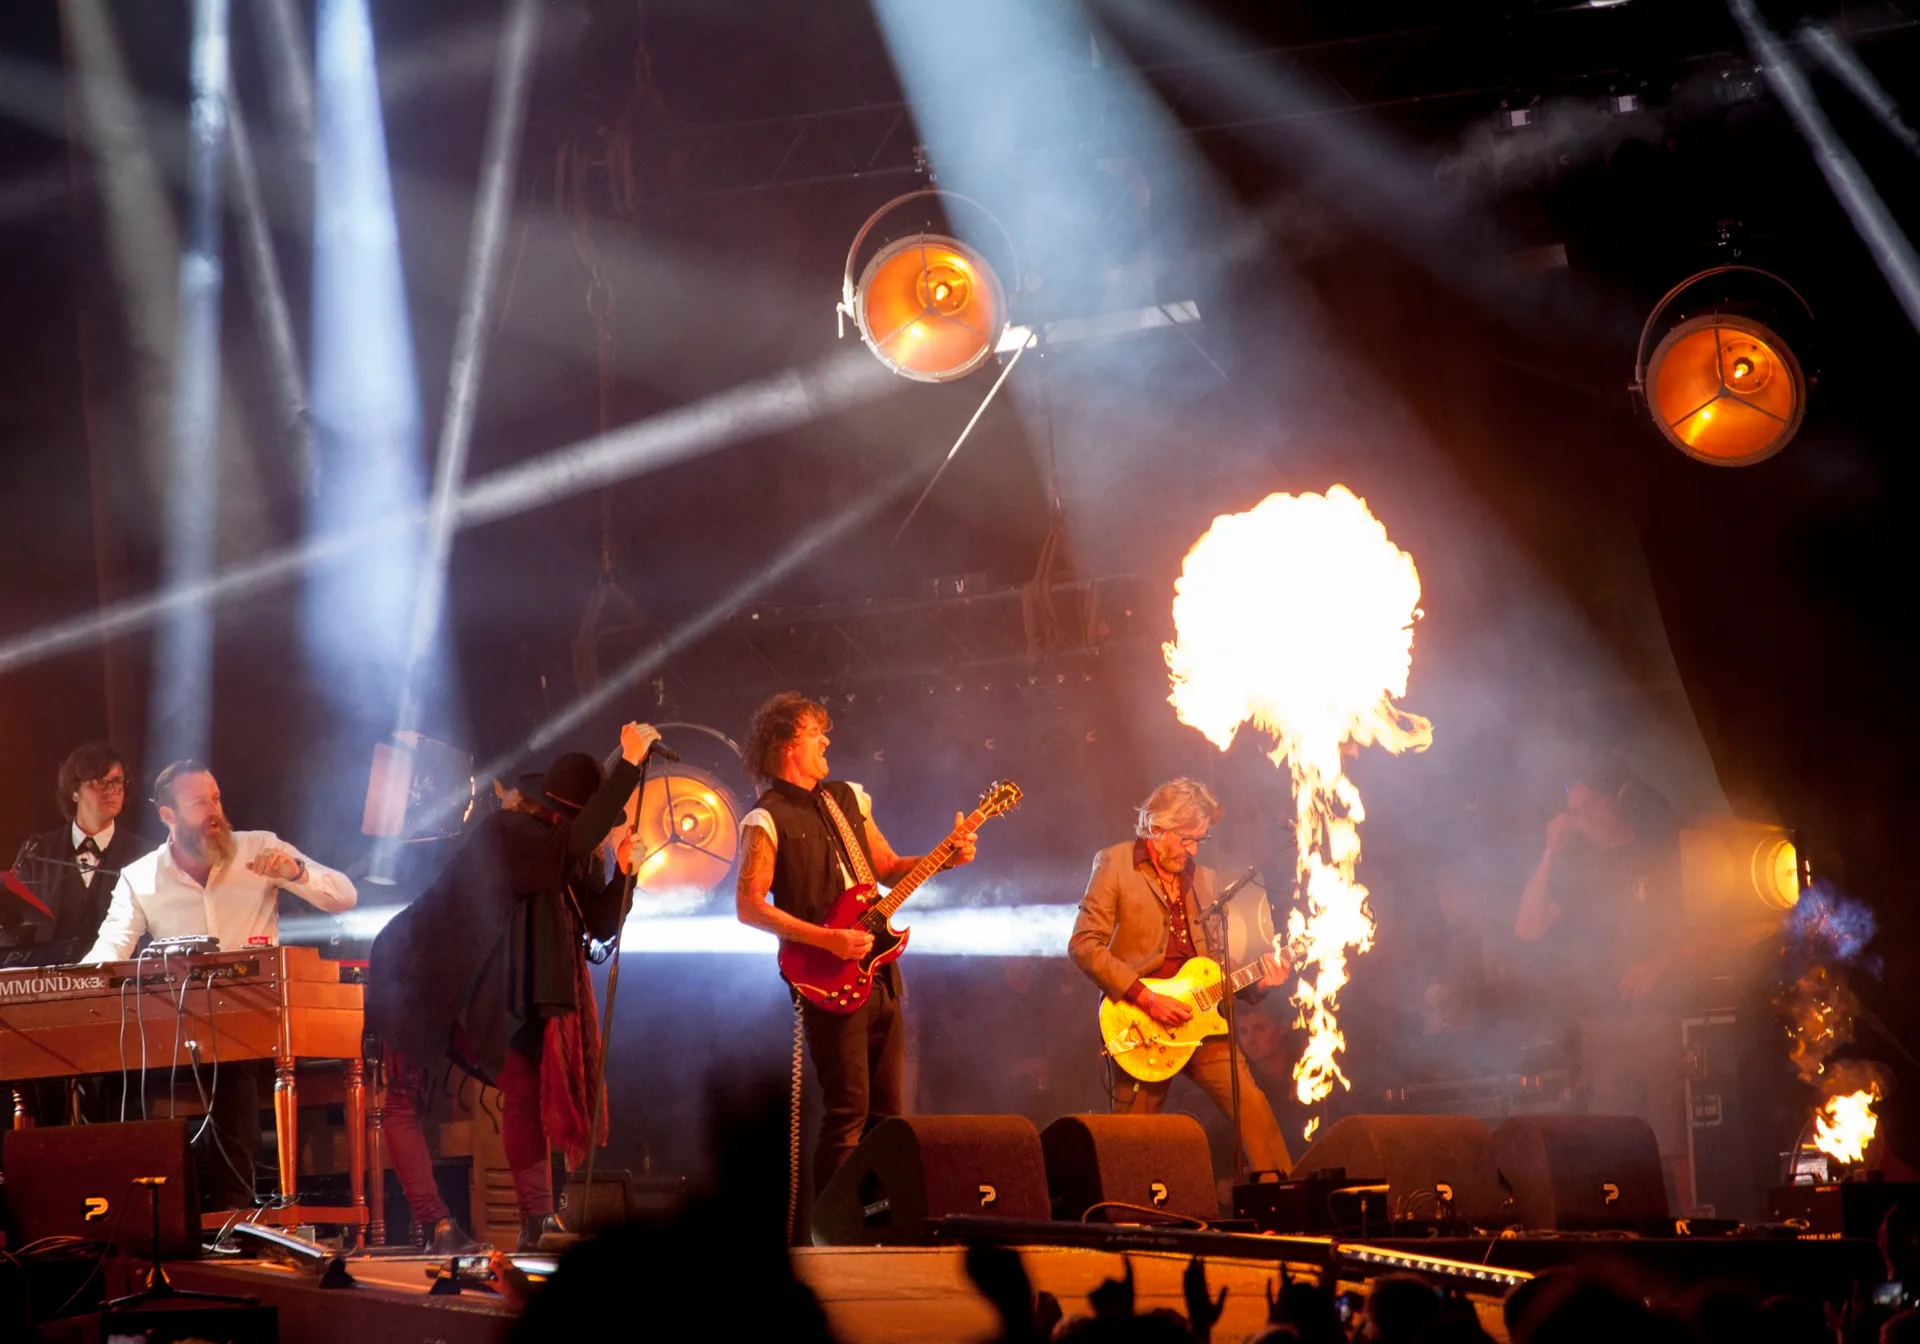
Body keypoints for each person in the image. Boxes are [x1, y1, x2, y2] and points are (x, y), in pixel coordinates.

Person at [368, 722, 658, 1253]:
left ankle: (537, 1223)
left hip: (480, 986)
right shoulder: (509, 833)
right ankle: (435, 1224)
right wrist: (631, 765)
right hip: (413, 968)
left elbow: (600, 923)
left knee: (525, 1089)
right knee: (405, 1099)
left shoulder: (559, 853)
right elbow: (571, 841)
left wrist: (623, 874)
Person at [82, 759, 357, 1210]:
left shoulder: (259, 848)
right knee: (118, 1069)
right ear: (168, 815)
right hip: (175, 1026)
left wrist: (296, 873)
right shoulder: (139, 877)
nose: (214, 810)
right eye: (198, 802)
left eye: (216, 798)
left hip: (257, 1022)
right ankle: (148, 1210)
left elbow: (344, 896)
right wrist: (63, 985)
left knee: (232, 1066)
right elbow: (111, 948)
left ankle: (234, 1210)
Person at [732, 691, 977, 1197]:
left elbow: (885, 867)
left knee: (888, 1117)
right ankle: (834, 1238)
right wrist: (827, 940)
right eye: (813, 732)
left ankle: (880, 1221)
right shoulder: (765, 819)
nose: (826, 739)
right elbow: (749, 906)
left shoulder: (847, 799)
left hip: (881, 972)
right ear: (784, 745)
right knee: (847, 1114)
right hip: (826, 977)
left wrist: (947, 856)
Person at [1068, 776, 1293, 1177]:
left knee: (1253, 1107)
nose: (1192, 850)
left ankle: (1284, 1197)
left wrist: (1258, 983)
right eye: (1186, 839)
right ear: (1157, 829)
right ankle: (1126, 1219)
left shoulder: (1202, 878)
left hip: (1203, 1019)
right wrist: (1146, 998)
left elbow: (1215, 964)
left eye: (1198, 841)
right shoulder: (1115, 863)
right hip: (1141, 1021)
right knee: (1131, 1139)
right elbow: (1084, 945)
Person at [1512, 752, 1691, 1207]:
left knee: (1672, 1143)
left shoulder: (1652, 856)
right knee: (1613, 1143)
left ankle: (1691, 1223)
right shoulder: (1577, 870)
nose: (1582, 818)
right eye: (1575, 811)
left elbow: (1694, 935)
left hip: (1656, 1023)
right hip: (1600, 1031)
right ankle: (1624, 1230)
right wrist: (1550, 849)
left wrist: (1655, 965)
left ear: (1614, 802)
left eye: (1589, 806)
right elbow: (1527, 928)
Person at [6, 742, 146, 951]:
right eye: (99, 781)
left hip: (124, 980)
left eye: (117, 781)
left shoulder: (145, 855)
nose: (112, 790)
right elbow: (9, 927)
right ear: (74, 792)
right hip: (48, 981)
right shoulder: (37, 851)